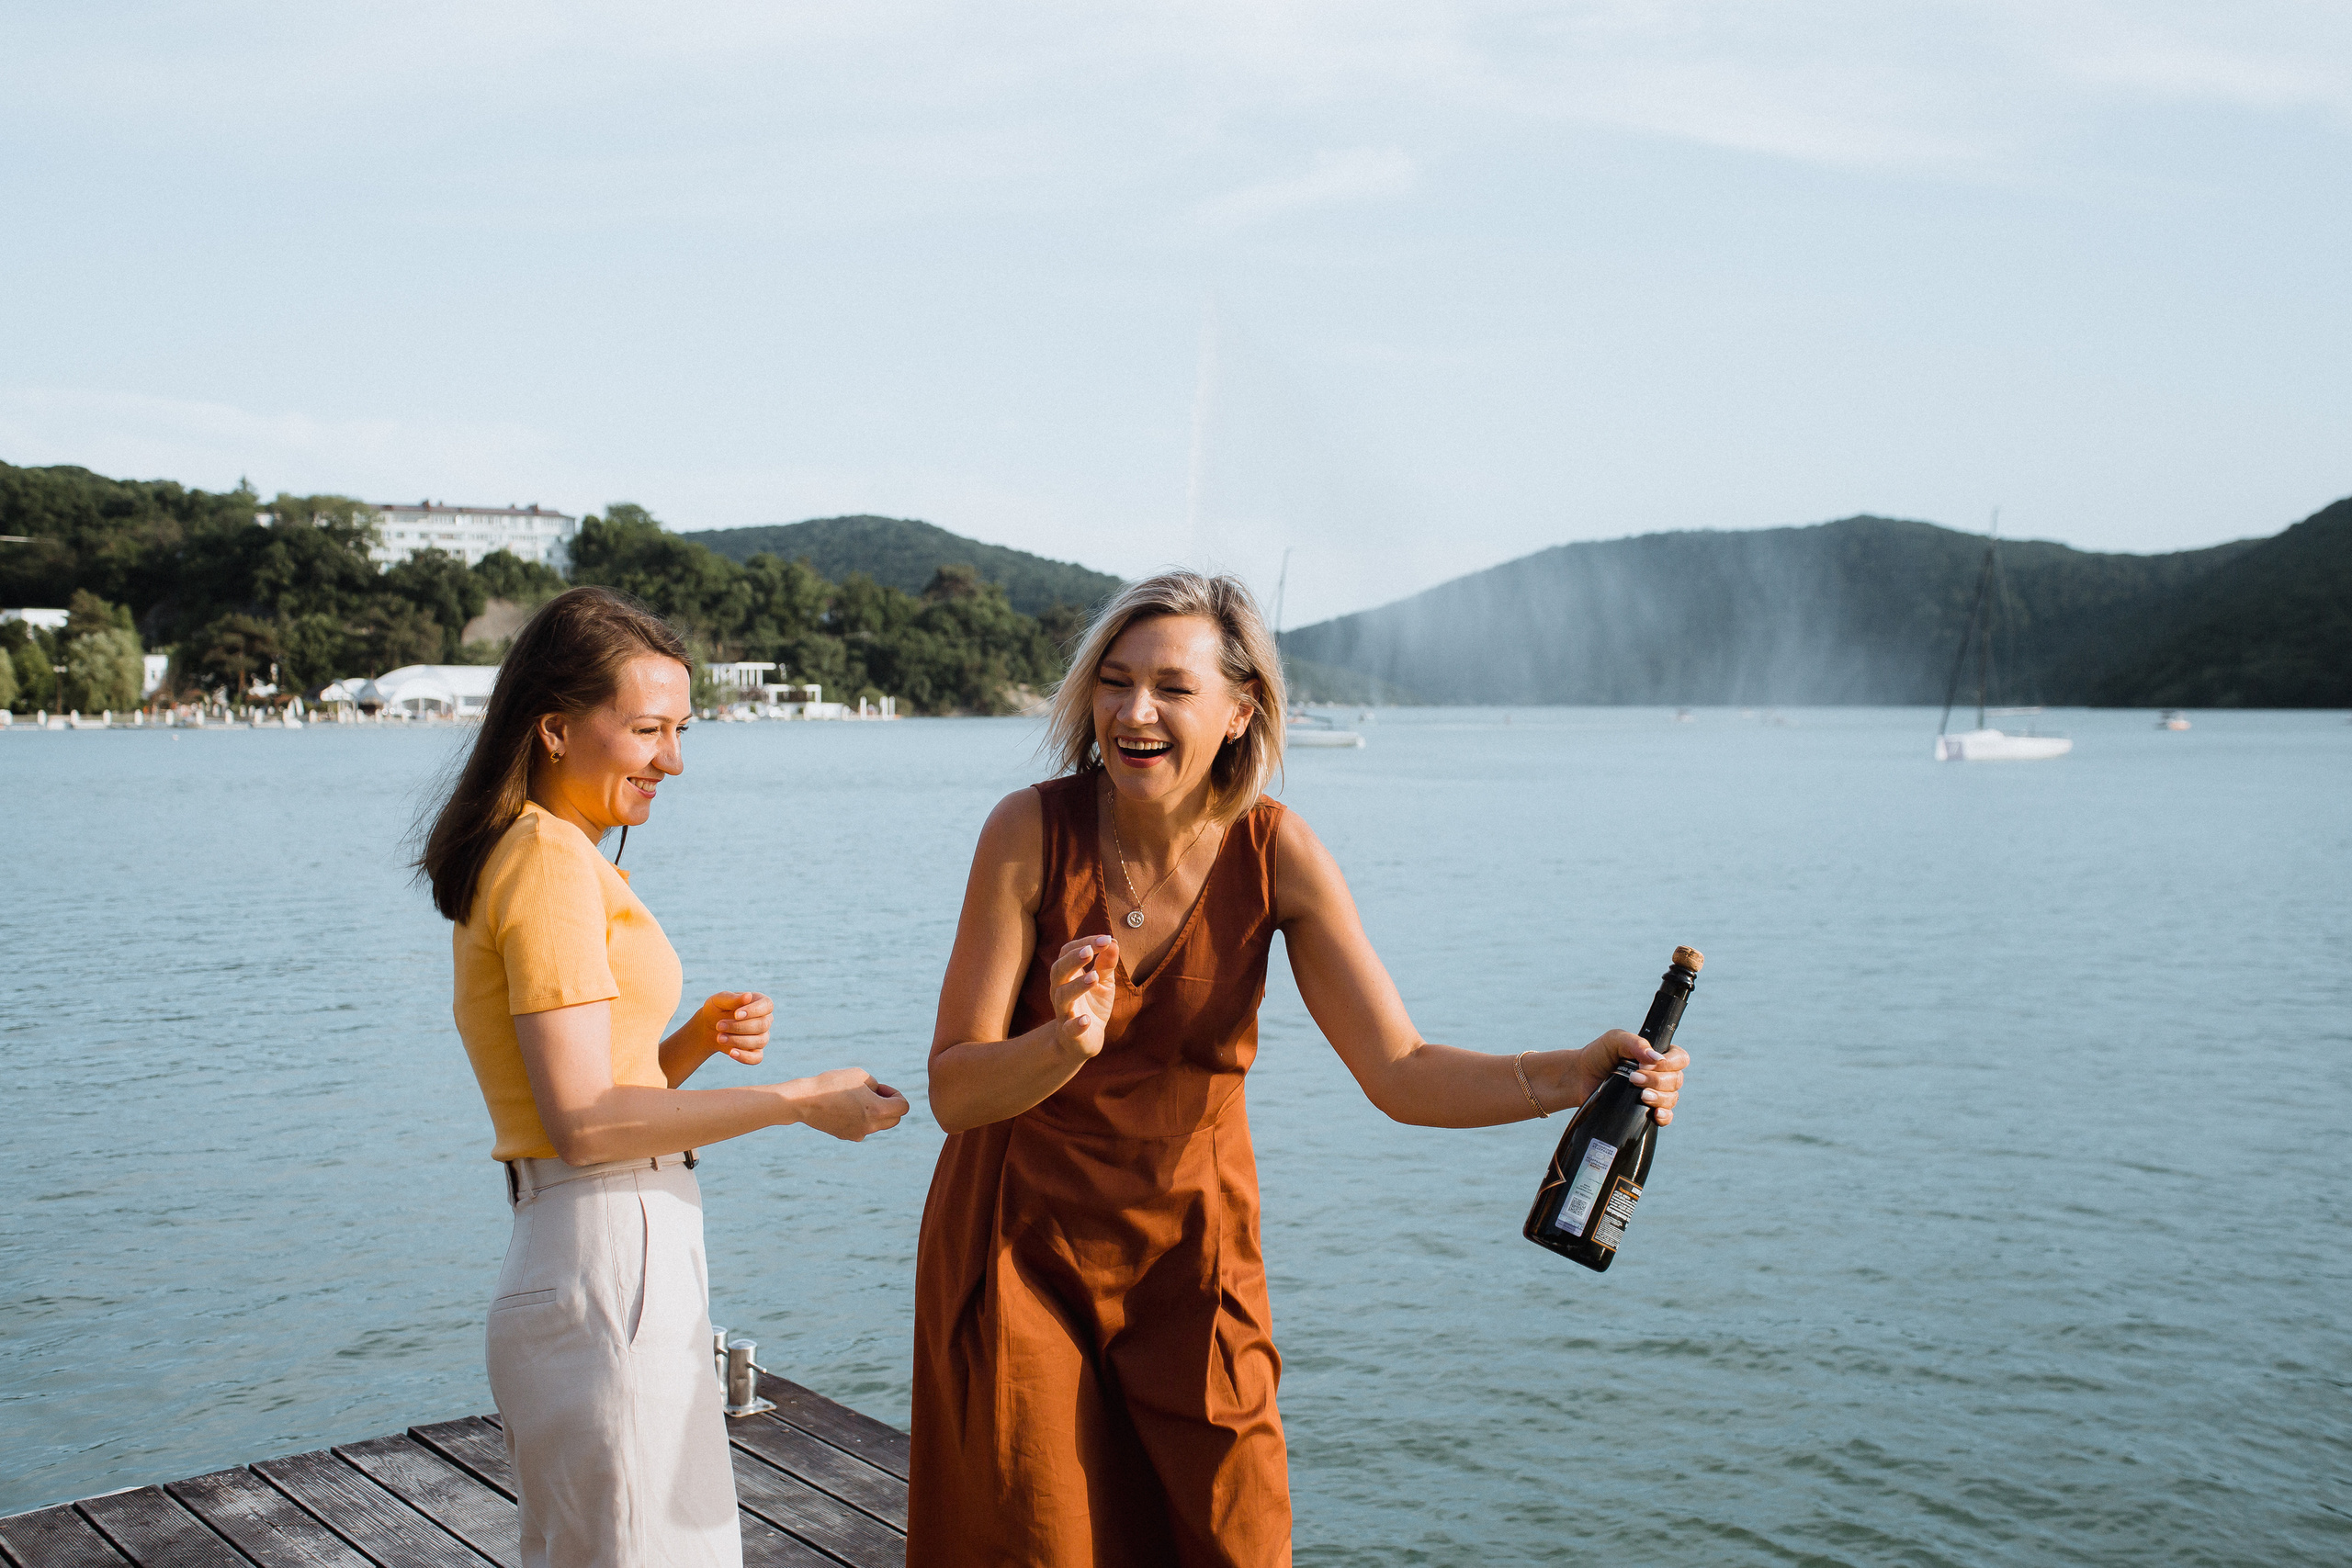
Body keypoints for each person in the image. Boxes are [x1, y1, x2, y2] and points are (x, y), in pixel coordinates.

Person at [908, 571, 1691, 1568]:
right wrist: (1061, 1042)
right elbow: (955, 1090)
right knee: (1037, 1542)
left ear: (1240, 712)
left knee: (1237, 1538)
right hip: (1021, 1249)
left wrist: (1575, 1075)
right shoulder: (1027, 831)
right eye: (1113, 682)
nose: (1132, 712)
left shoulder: (1277, 852)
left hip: (1195, 1259)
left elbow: (1400, 1069)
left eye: (1169, 688)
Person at [418, 586, 909, 1568]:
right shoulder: (550, 863)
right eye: (647, 729)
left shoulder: (545, 856)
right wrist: (797, 1102)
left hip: (598, 1251)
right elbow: (587, 1125)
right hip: (608, 1249)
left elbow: (584, 1090)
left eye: (679, 730)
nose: (672, 760)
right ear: (554, 730)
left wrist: (684, 1045)